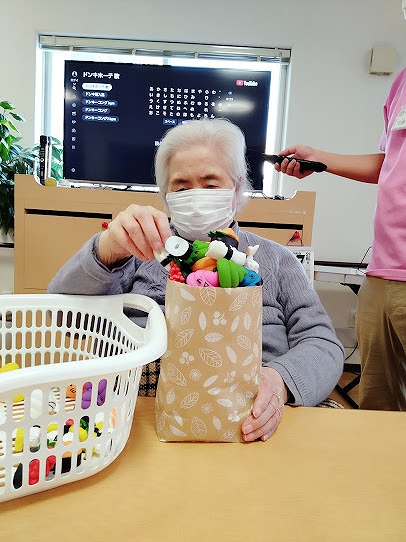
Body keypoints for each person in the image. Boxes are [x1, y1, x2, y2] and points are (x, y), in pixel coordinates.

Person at [48, 117, 345, 441]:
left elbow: (322, 343)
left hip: (249, 415)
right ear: (166, 195)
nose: (196, 196)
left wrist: (279, 381)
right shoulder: (137, 251)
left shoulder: (277, 259)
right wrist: (107, 250)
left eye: (211, 184)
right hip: (140, 414)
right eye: (181, 187)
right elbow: (63, 316)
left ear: (236, 189)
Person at [274, 22, 406, 410]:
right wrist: (320, 160)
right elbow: (389, 163)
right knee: (378, 405)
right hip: (383, 272)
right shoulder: (402, 82)